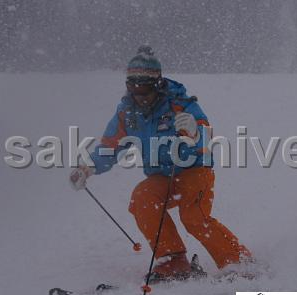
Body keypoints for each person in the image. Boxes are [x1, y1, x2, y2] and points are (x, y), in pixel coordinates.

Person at [69, 45, 251, 281]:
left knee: (194, 218)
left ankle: (238, 262)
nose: (139, 95)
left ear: (156, 83)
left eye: (144, 87)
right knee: (142, 199)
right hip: (161, 177)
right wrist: (88, 168)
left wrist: (195, 132)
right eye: (133, 87)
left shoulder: (180, 104)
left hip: (194, 171)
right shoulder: (127, 113)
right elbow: (110, 146)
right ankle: (173, 260)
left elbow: (206, 138)